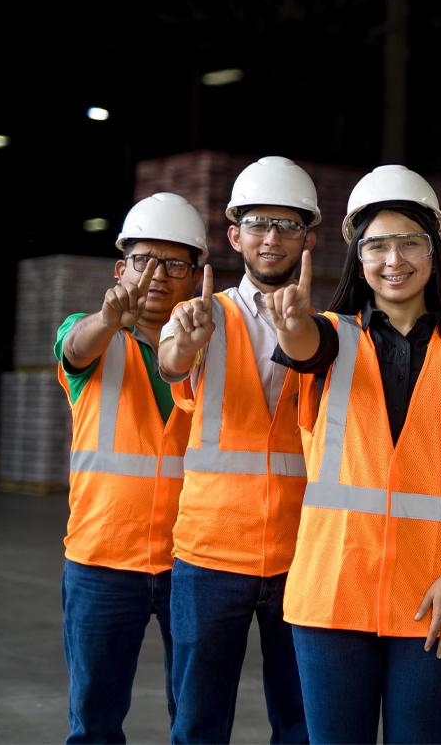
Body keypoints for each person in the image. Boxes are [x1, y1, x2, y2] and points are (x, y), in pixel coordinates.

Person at [263, 165, 441, 744]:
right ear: (358, 257)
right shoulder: (328, 336)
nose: (393, 259)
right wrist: (292, 322)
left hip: (431, 596)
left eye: (409, 243)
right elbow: (302, 349)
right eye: (377, 245)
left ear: (433, 252)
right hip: (331, 594)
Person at [158, 156, 320, 743]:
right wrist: (184, 344)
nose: (271, 238)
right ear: (234, 236)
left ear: (307, 238)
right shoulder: (201, 315)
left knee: (302, 723)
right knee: (198, 722)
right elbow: (172, 361)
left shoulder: (328, 328)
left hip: (301, 553)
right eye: (258, 224)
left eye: (287, 226)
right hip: (209, 553)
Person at [56, 192, 207, 743]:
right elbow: (74, 348)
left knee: (193, 716)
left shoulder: (209, 351)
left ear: (195, 277)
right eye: (144, 261)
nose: (158, 276)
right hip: (101, 560)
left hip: (190, 564)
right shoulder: (93, 337)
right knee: (93, 719)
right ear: (121, 269)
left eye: (175, 264)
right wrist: (105, 319)